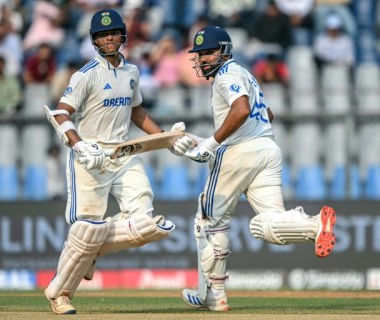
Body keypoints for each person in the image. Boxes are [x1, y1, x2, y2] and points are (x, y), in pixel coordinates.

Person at [171, 26, 337, 311]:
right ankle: (315, 224)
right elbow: (266, 114)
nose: (202, 59)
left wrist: (211, 144)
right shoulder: (244, 73)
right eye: (199, 55)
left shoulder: (226, 75)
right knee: (266, 224)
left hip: (239, 154)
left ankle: (213, 295)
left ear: (224, 50)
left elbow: (241, 110)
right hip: (267, 149)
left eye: (208, 52)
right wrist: (201, 140)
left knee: (208, 221)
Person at [43, 8, 187, 315]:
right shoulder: (85, 75)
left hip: (124, 153)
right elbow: (61, 113)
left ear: (122, 36)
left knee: (146, 223)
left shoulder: (132, 72)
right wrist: (79, 145)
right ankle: (60, 294)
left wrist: (164, 138)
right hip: (91, 158)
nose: (109, 39)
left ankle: (90, 249)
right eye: (102, 35)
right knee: (88, 228)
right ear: (94, 40)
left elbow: (137, 112)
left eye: (113, 33)